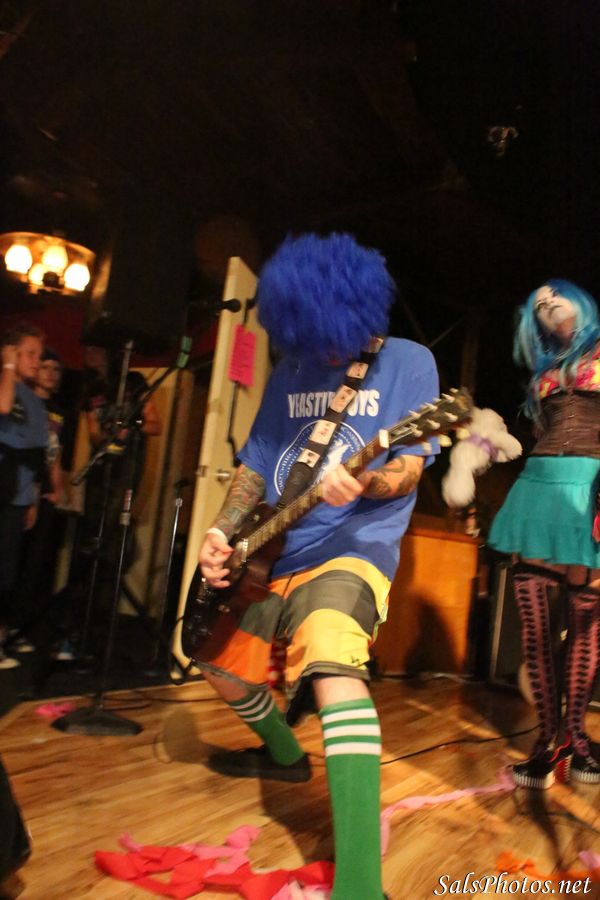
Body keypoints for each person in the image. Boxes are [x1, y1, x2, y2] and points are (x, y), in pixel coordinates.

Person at [196, 233, 440, 900]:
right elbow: (254, 466)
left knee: (332, 660)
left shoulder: (409, 363)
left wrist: (365, 482)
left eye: (334, 336)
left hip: (353, 549)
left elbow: (409, 468)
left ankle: (361, 886)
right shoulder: (291, 368)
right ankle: (284, 755)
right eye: (312, 338)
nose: (327, 353)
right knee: (214, 660)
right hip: (270, 554)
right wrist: (220, 531)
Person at [489, 279, 600, 788]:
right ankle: (547, 742)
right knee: (534, 628)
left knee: (587, 621)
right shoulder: (543, 372)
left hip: (591, 487)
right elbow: (540, 430)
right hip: (539, 485)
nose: (548, 304)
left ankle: (577, 742)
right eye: (538, 305)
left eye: (555, 295)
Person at [77, 346, 161, 644]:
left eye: (95, 349)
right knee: (93, 534)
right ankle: (83, 614)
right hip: (101, 471)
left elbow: (155, 424)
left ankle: (103, 617)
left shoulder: (134, 382)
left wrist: (131, 427)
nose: (90, 354)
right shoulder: (92, 389)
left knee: (113, 538)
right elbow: (93, 434)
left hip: (127, 472)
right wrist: (107, 434)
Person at [0, 323, 47, 669]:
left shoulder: (35, 401)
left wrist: (32, 499)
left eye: (38, 355)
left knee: (6, 573)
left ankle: (1, 639)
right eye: (29, 354)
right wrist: (7, 366)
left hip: (17, 496)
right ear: (12, 353)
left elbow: (37, 454)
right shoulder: (5, 384)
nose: (37, 361)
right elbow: (2, 408)